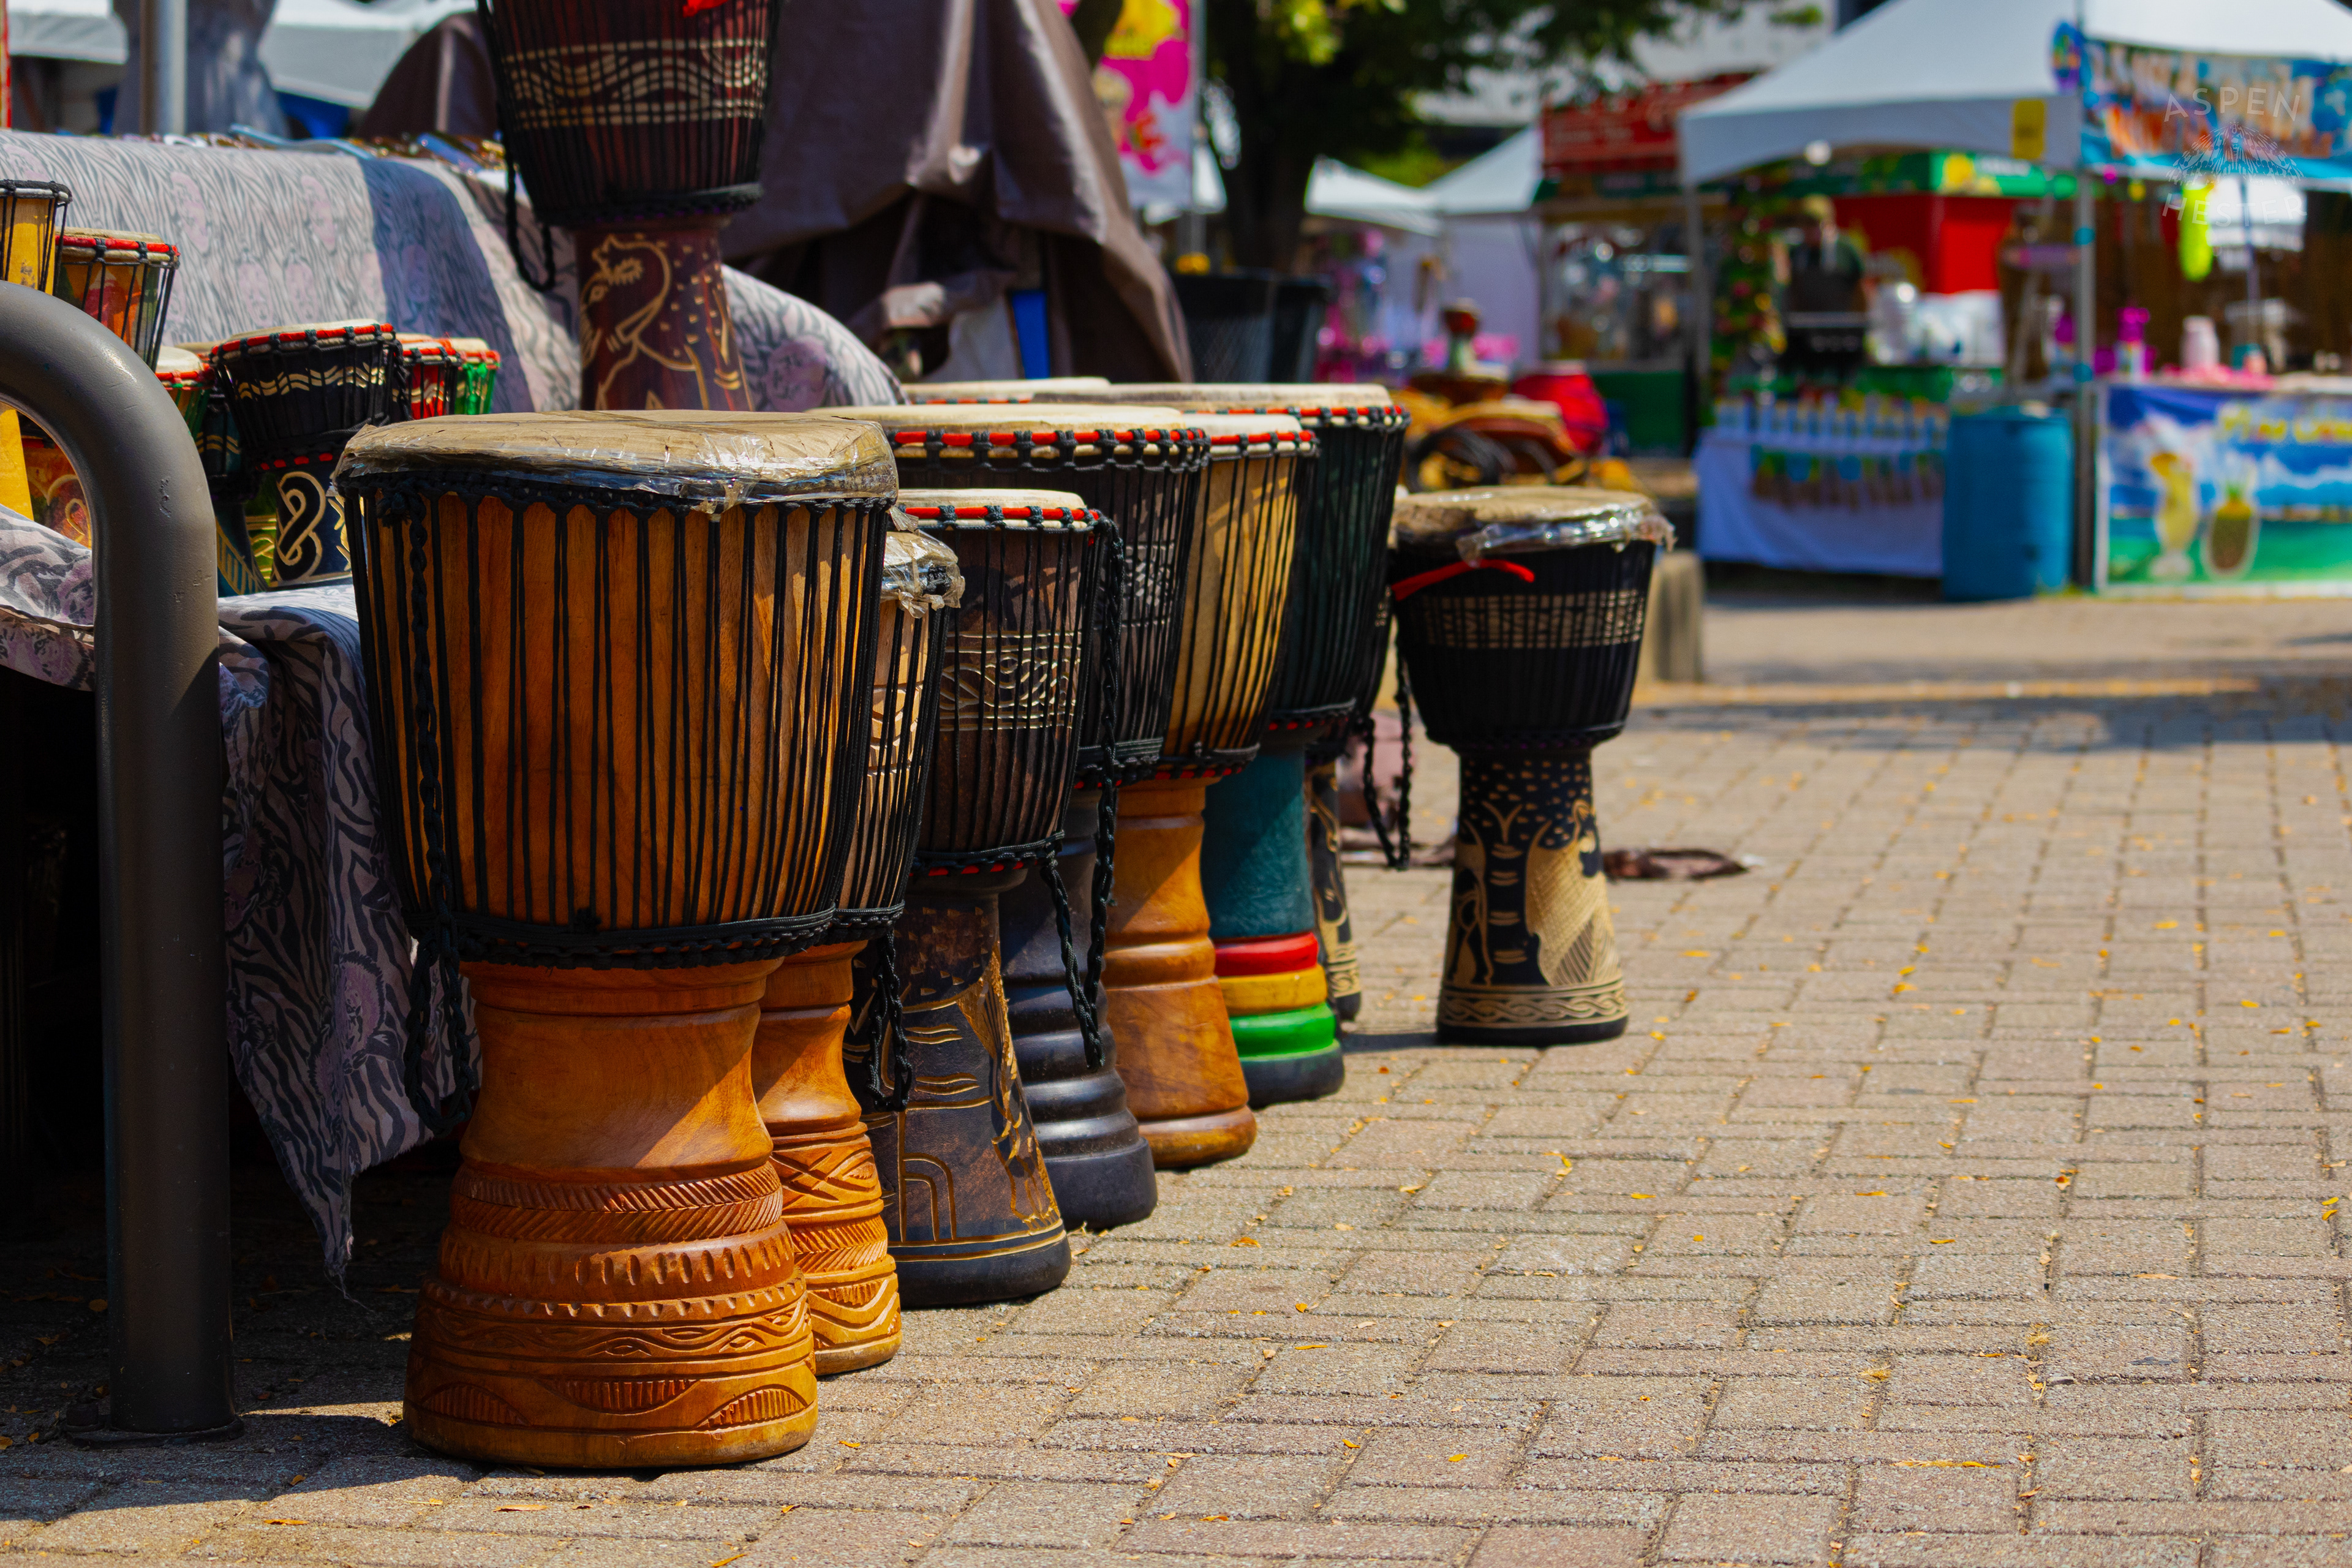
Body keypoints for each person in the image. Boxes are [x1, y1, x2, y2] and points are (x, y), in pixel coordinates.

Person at [1782, 196, 1869, 377]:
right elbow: (1794, 291)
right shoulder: (1798, 254)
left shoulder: (1845, 249)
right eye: (1805, 224)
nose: (1811, 230)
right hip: (1808, 336)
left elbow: (1863, 290)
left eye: (1815, 224)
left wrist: (1862, 327)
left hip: (1844, 336)